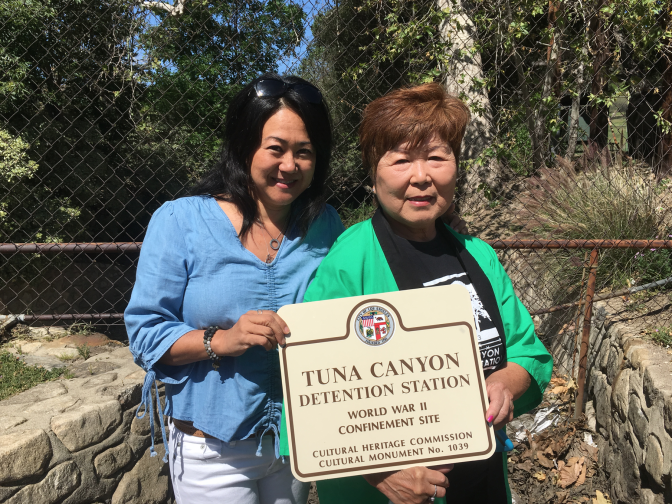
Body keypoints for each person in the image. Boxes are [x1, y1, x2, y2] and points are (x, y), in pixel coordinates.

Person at [278, 83, 553, 504]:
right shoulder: (350, 262)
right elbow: (308, 396)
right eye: (402, 159)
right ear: (374, 172)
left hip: (482, 481)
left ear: (456, 167)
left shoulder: (478, 256)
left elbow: (526, 351)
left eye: (437, 158)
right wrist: (383, 475)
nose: (421, 176)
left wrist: (504, 384)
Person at [124, 74, 343, 504]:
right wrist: (222, 340)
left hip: (293, 442)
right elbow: (146, 333)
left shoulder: (325, 224)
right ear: (244, 147)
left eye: (305, 153)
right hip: (212, 451)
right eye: (275, 148)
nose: (290, 166)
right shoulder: (180, 221)